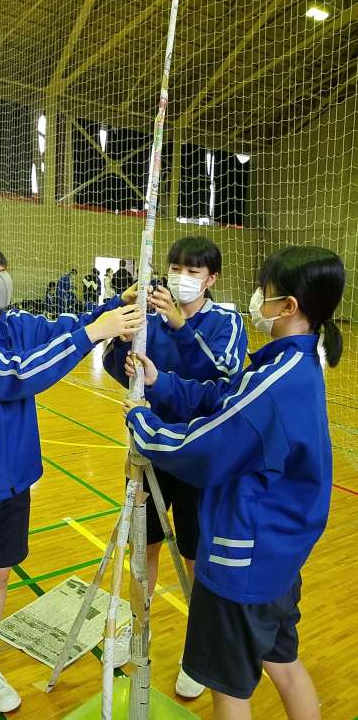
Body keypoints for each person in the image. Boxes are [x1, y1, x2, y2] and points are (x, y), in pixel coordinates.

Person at [123, 245, 345, 720]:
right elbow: (222, 395)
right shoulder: (289, 364)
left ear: (288, 306)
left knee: (228, 690)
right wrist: (161, 383)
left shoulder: (276, 380)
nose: (257, 298)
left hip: (243, 559)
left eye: (265, 290)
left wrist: (143, 422)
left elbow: (204, 447)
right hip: (277, 558)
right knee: (283, 663)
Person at [0, 239, 142, 713]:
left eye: (0, 266)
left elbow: (66, 327)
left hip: (15, 481)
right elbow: (18, 375)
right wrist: (94, 334)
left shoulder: (16, 325)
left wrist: (119, 303)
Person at [103, 236, 247, 695]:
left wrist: (180, 325)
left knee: (196, 553)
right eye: (176, 268)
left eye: (192, 270)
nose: (181, 277)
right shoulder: (150, 315)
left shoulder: (225, 321)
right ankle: (136, 630)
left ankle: (197, 650)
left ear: (211, 279)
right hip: (149, 447)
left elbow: (224, 378)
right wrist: (120, 346)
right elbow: (121, 370)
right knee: (142, 548)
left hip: (199, 454)